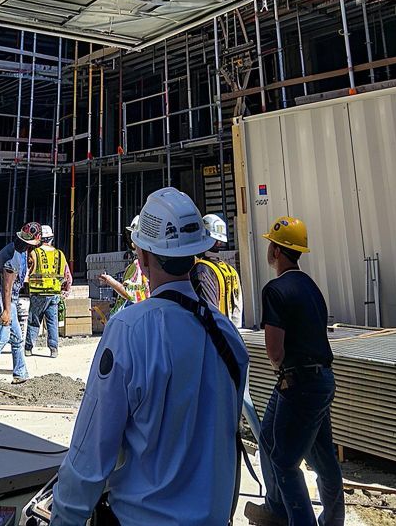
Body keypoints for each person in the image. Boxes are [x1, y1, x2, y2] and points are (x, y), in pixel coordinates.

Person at [50, 187, 249, 526]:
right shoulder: (227, 336)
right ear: (197, 252)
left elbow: (92, 452)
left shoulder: (130, 330)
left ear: (142, 256)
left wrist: (64, 517)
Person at [245, 216, 344, 526]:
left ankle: (296, 519)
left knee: (285, 462)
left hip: (298, 383)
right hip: (321, 380)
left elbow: (274, 352)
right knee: (315, 454)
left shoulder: (275, 289)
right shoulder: (311, 287)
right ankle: (282, 510)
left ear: (276, 250)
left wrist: (284, 370)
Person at [0, 221, 42, 400]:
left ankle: (20, 373)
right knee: (0, 339)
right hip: (0, 300)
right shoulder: (12, 258)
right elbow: (6, 286)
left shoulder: (19, 251)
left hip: (7, 300)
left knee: (17, 338)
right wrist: (6, 311)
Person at [26, 225, 72, 359]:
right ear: (51, 238)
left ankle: (29, 348)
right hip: (54, 294)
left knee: (34, 321)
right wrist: (66, 291)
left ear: (39, 238)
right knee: (52, 322)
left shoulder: (34, 253)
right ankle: (53, 349)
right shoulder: (60, 254)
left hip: (38, 293)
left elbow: (26, 273)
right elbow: (68, 276)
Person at [191, 213, 243, 328]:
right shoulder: (230, 270)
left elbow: (208, 310)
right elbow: (237, 311)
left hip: (212, 333)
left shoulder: (202, 269)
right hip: (228, 331)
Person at [99, 214, 150, 314]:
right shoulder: (152, 265)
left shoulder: (137, 265)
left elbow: (128, 293)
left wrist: (109, 281)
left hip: (133, 313)